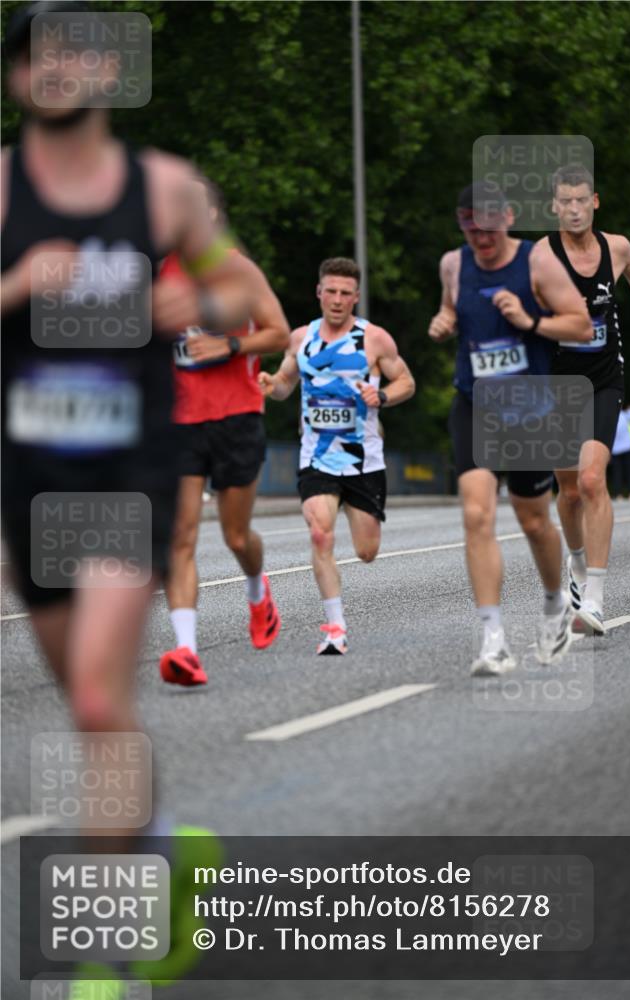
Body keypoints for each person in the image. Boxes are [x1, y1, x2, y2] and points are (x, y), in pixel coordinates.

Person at [1, 1, 253, 989]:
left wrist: (203, 300)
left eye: (73, 54)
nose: (54, 70)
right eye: (34, 56)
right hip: (33, 480)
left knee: (104, 695)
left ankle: (105, 953)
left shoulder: (164, 191)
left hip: (129, 471)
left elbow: (244, 297)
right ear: (17, 79)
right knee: (88, 709)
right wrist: (20, 283)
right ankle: (162, 843)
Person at [429, 182, 593, 676]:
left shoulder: (538, 263)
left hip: (529, 405)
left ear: (509, 216)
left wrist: (528, 321)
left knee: (533, 520)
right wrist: (443, 321)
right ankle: (493, 639)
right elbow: (453, 309)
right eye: (469, 223)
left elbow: (581, 325)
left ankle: (553, 601)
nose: (480, 234)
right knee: (477, 515)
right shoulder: (453, 264)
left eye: (489, 223)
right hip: (475, 402)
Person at [159, 184, 290, 687]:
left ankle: (258, 591)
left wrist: (229, 345)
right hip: (181, 421)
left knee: (236, 535)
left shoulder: (238, 269)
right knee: (180, 536)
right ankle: (186, 650)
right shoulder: (159, 272)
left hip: (236, 416)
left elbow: (278, 333)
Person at [259, 257, 415, 654]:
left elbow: (407, 383)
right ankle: (335, 628)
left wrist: (381, 396)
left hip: (364, 461)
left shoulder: (375, 339)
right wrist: (269, 383)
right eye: (331, 290)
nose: (338, 299)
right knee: (319, 532)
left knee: (366, 552)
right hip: (316, 456)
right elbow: (284, 385)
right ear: (319, 292)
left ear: (356, 297)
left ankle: (355, 518)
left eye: (346, 293)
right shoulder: (301, 338)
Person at [537, 164, 630, 634]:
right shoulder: (541, 257)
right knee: (568, 490)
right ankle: (575, 565)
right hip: (555, 384)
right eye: (564, 201)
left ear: (594, 202)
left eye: (580, 200)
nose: (573, 209)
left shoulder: (618, 247)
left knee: (592, 480)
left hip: (603, 379)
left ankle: (594, 598)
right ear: (554, 206)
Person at [611, 405, 630, 500]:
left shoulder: (610, 417)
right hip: (627, 448)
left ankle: (618, 495)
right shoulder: (625, 415)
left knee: (617, 473)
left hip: (615, 449)